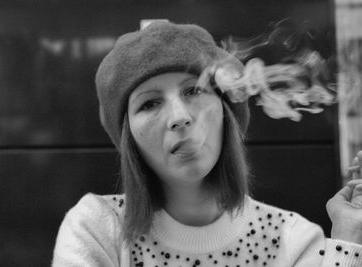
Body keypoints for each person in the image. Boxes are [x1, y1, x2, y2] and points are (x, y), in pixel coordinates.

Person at [52, 21, 362, 267]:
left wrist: (349, 240)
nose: (180, 117)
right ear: (128, 135)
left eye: (193, 92)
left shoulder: (294, 240)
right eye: (149, 104)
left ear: (227, 112)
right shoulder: (97, 228)